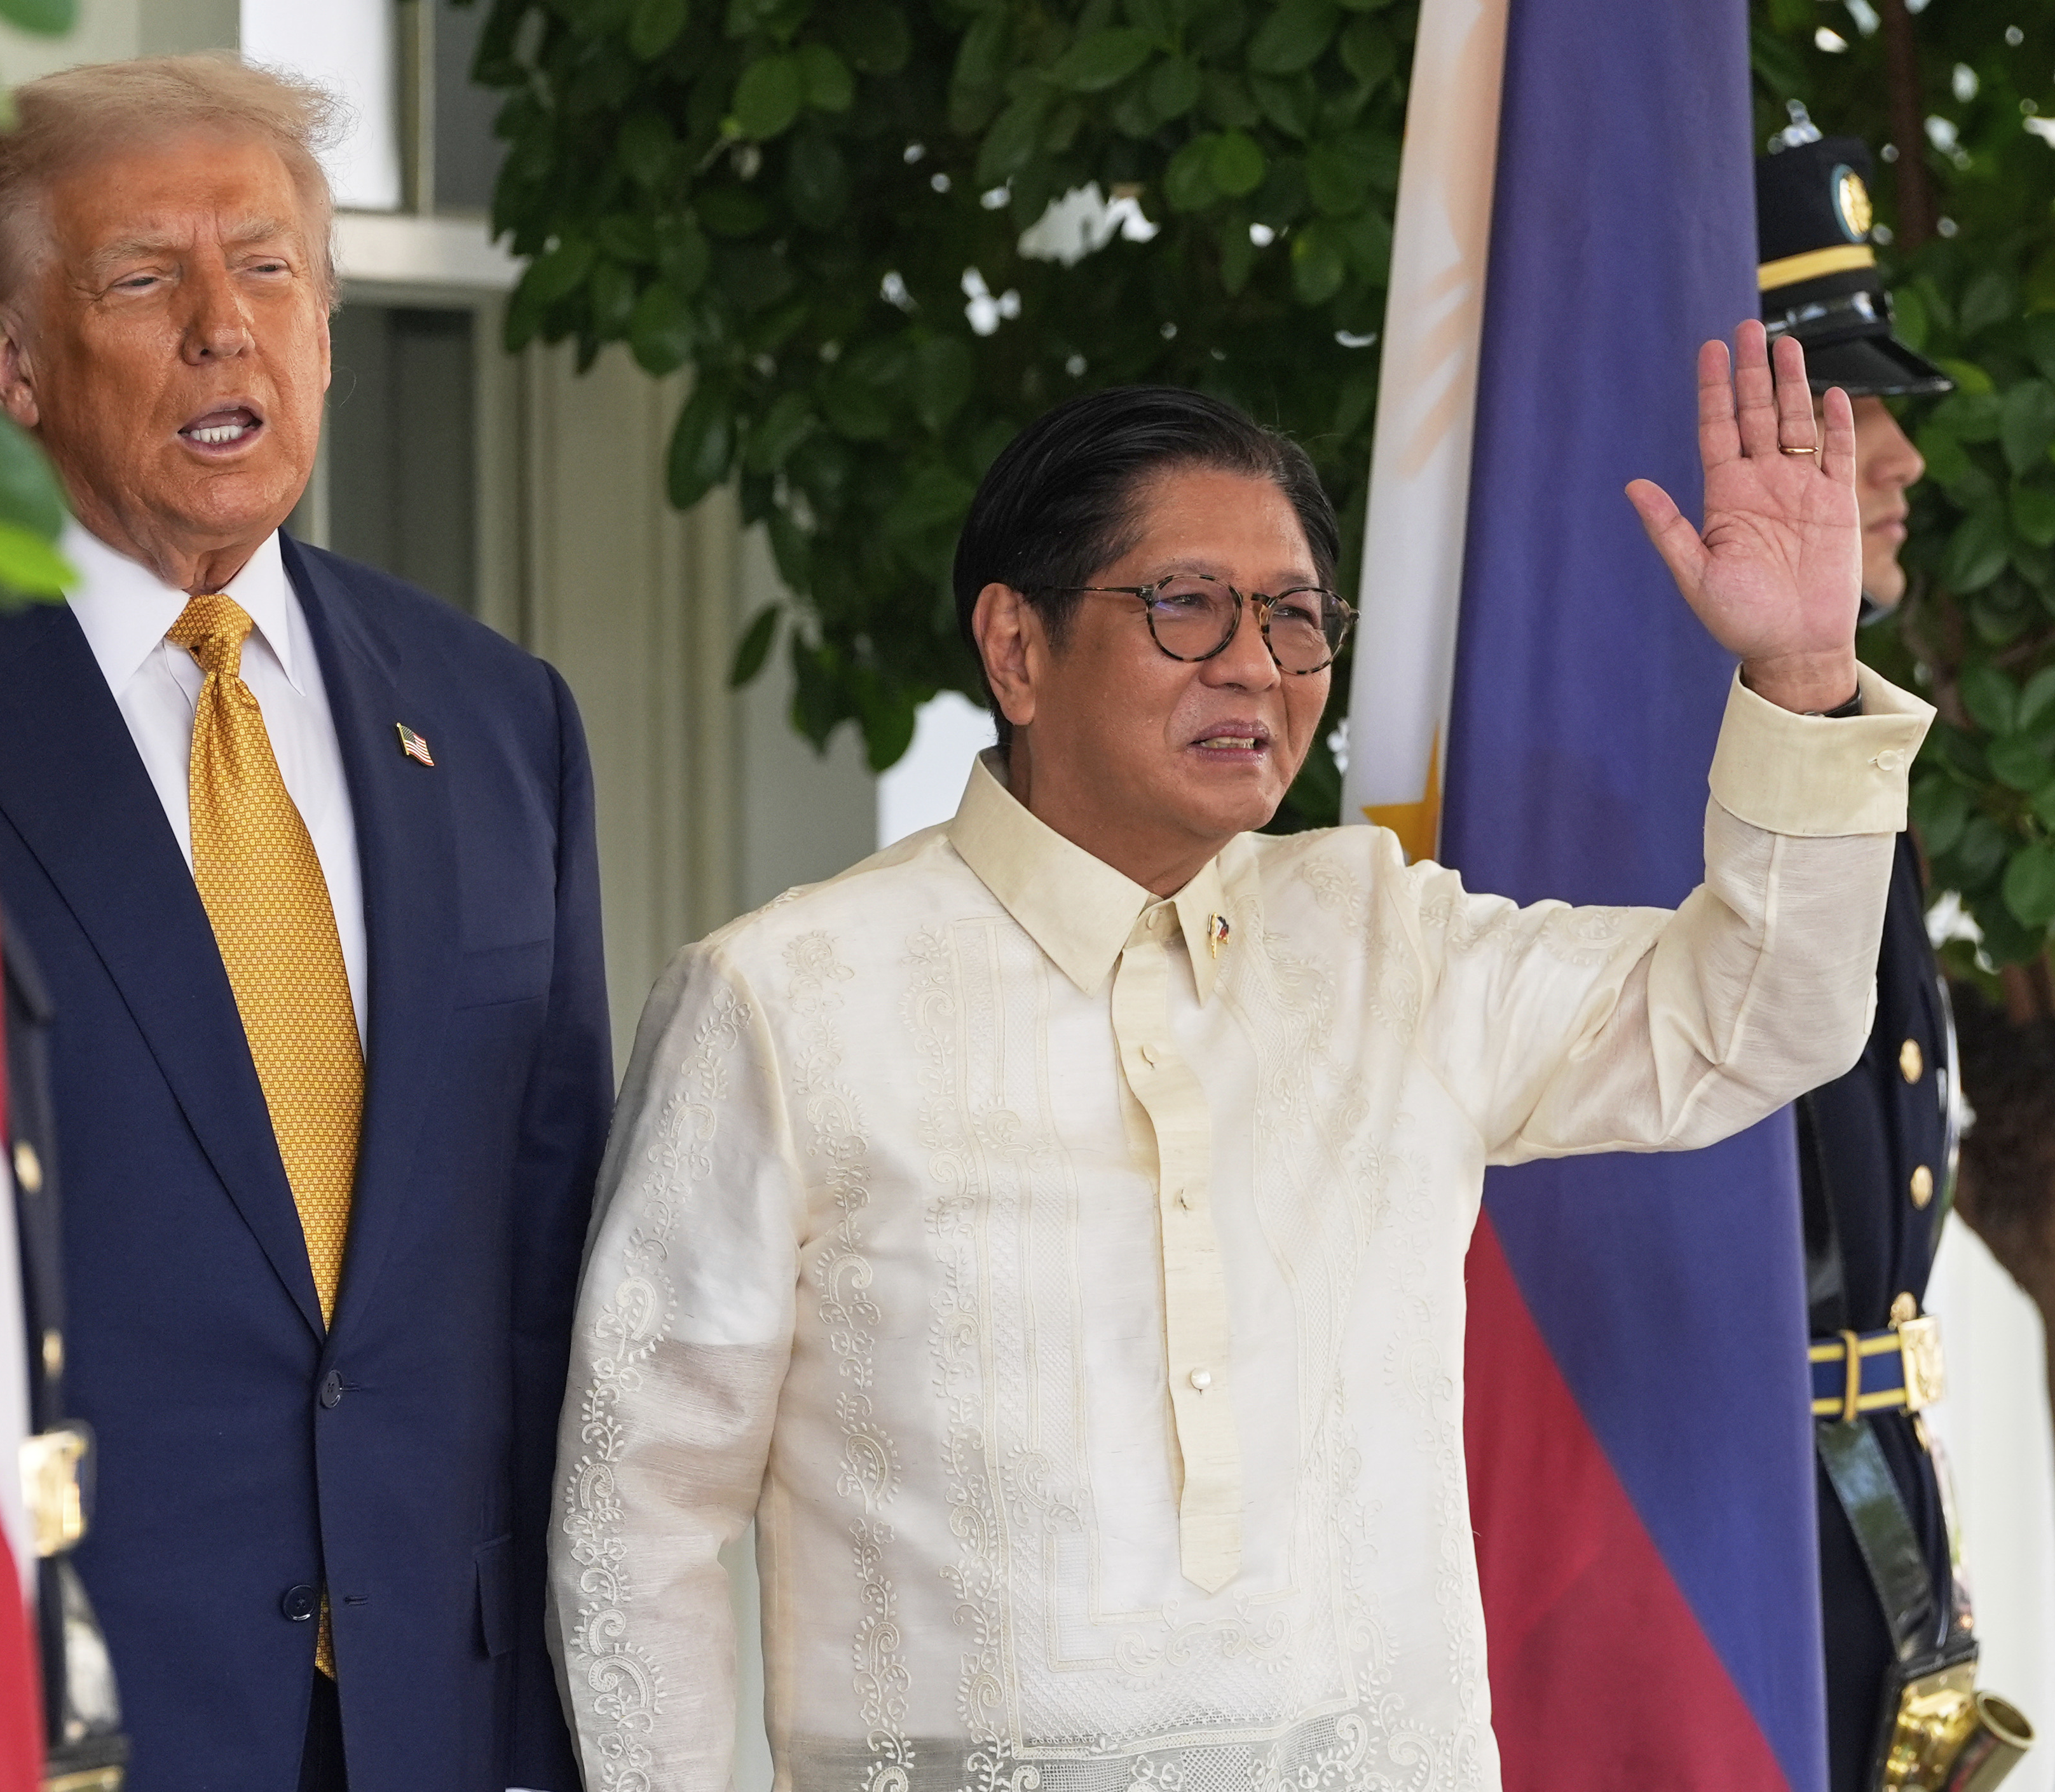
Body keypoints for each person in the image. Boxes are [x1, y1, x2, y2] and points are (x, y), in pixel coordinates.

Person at [549, 331, 1931, 1790]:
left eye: (1292, 618)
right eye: (1186, 608)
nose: (1257, 670)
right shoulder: (787, 999)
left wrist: (1800, 678)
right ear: (1017, 647)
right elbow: (640, 1511)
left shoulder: (1384, 942)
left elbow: (1755, 1020)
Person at [0, 56, 609, 1792]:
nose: (222, 327)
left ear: (323, 326)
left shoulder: (495, 718)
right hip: (60, 1706)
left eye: (265, 269)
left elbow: (543, 1261)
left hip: (436, 1710)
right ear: (11, 365)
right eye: (142, 279)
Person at [1758, 131, 2007, 1791]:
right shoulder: (1694, 779)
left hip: (1851, 1496)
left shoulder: (1815, 751)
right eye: (1844, 419)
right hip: (1738, 1515)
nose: (1905, 461)